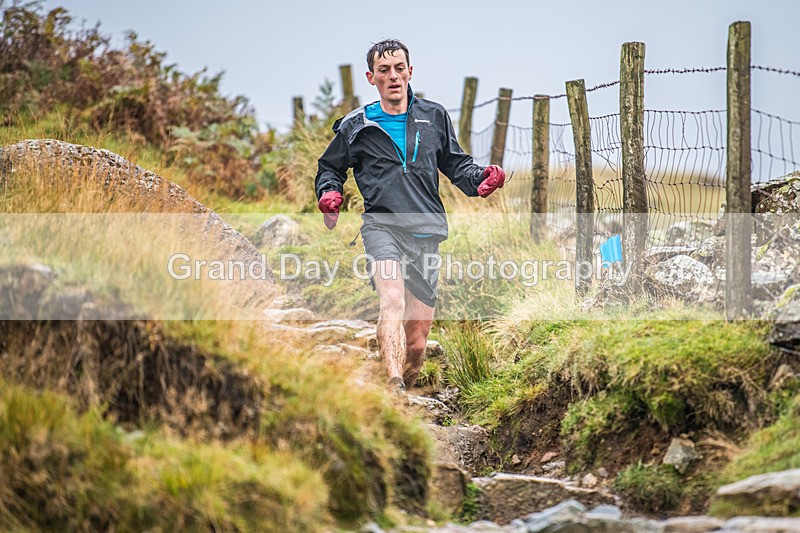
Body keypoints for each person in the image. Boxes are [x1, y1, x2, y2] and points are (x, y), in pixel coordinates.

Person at [315, 39, 506, 394]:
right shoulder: (356, 125)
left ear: (410, 72)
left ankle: (409, 379)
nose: (393, 77)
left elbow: (455, 164)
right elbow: (329, 168)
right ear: (371, 78)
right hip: (381, 227)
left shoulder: (433, 117)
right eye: (384, 71)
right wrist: (329, 194)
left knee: (417, 345)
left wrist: (480, 179)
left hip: (426, 231)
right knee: (391, 301)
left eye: (399, 69)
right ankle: (393, 383)